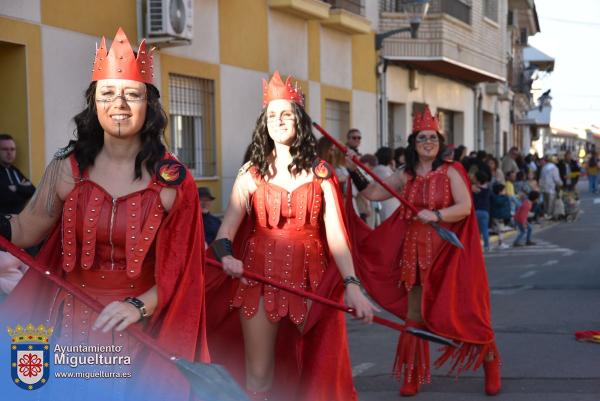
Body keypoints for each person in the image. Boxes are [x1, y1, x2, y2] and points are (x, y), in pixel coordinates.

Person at [0, 28, 209, 398]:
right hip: (70, 326)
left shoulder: (175, 181)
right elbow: (23, 230)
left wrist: (137, 306)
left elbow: (184, 272)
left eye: (133, 94)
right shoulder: (66, 168)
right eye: (107, 93)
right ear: (93, 103)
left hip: (143, 330)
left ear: (151, 105)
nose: (120, 104)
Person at [204, 71, 377, 401]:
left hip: (311, 281)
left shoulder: (321, 173)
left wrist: (352, 286)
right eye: (272, 115)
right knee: (258, 375)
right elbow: (225, 231)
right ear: (264, 124)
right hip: (256, 280)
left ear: (299, 121)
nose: (279, 121)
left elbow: (338, 238)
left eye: (286, 114)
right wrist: (226, 255)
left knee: (312, 367)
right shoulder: (250, 174)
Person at [346, 105, 501, 396]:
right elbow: (373, 193)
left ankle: (491, 365)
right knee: (414, 315)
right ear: (413, 143)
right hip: (415, 256)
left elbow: (465, 207)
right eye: (421, 138)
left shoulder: (451, 170)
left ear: (440, 142)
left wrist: (437, 215)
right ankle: (413, 374)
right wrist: (355, 172)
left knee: (468, 311)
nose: (428, 142)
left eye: (432, 137)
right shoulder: (405, 175)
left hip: (449, 255)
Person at [0, 133, 36, 214]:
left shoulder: (15, 171)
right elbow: (4, 197)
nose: (9, 153)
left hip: (18, 220)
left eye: (12, 149)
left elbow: (33, 190)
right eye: (5, 149)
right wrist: (22, 189)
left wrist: (16, 188)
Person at [373, 147, 400, 222]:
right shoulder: (381, 169)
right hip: (387, 200)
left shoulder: (384, 168)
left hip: (389, 200)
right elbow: (393, 183)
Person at [473, 170, 492, 252]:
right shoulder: (487, 189)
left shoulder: (474, 188)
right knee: (485, 230)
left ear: (477, 179)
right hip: (485, 211)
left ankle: (476, 246)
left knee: (476, 231)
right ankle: (487, 246)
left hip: (476, 211)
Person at [490, 183, 511, 249]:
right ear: (500, 191)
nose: (505, 191)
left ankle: (500, 243)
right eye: (504, 190)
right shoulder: (498, 198)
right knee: (501, 230)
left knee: (500, 230)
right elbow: (499, 203)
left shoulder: (496, 197)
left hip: (499, 216)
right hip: (499, 216)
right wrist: (506, 197)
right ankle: (500, 243)